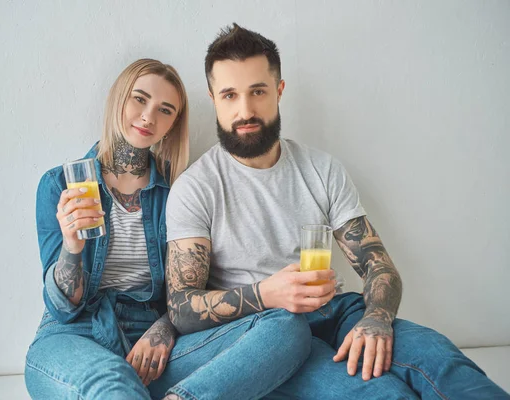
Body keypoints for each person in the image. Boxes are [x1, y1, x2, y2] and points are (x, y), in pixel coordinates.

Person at [164, 24, 510, 399]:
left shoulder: (322, 169)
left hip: (335, 312)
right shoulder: (195, 187)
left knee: (443, 361)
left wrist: (377, 319)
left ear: (279, 92)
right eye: (230, 95)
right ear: (213, 99)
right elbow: (181, 309)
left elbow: (378, 266)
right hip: (265, 332)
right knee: (386, 394)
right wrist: (267, 293)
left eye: (258, 91)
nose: (245, 110)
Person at [24, 58, 313, 400]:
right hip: (76, 334)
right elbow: (63, 307)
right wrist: (72, 246)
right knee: (112, 385)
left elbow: (190, 292)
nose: (149, 116)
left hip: (156, 342)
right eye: (139, 99)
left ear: (173, 125)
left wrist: (164, 328)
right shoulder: (60, 184)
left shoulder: (182, 188)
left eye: (165, 110)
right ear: (119, 97)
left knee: (286, 327)